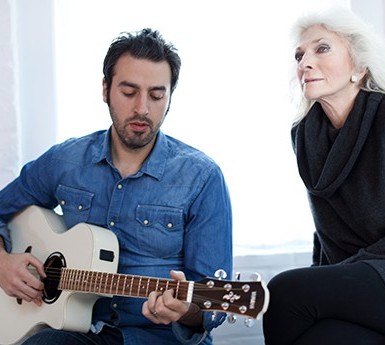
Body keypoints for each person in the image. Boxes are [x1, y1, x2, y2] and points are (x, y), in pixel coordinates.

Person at [0, 28, 233, 345]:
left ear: (170, 98)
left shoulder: (202, 177)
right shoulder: (65, 161)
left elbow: (214, 306)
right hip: (79, 330)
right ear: (106, 89)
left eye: (156, 95)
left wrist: (184, 310)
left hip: (158, 337)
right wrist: (3, 262)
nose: (142, 108)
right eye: (129, 92)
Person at [263, 6, 385, 345]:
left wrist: (341, 274)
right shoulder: (304, 136)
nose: (304, 62)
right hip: (355, 285)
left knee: (282, 292)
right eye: (299, 54)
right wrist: (329, 277)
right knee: (314, 337)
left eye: (322, 48)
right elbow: (326, 233)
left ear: (359, 66)